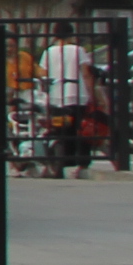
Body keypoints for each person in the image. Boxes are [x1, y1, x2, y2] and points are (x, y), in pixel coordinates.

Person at [35, 33, 99, 177]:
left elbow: (43, 73)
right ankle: (81, 162)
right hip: (78, 95)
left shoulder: (49, 51)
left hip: (56, 97)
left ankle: (63, 161)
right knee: (80, 130)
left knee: (62, 130)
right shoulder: (78, 50)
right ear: (70, 35)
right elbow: (86, 73)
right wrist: (92, 94)